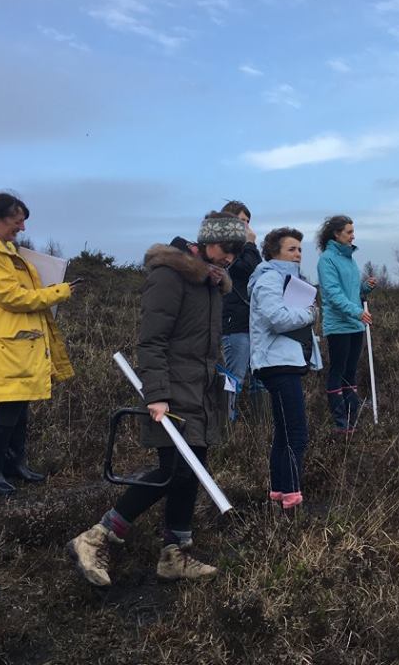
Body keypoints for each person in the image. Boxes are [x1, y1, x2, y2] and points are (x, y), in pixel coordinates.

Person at [68, 211, 245, 586]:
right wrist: (158, 395)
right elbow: (152, 340)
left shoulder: (211, 282)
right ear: (208, 242)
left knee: (191, 472)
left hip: (201, 391)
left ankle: (174, 555)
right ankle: (95, 537)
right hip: (173, 392)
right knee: (171, 472)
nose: (231, 257)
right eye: (228, 249)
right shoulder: (169, 276)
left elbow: (205, 343)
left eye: (236, 251)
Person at [0, 193, 79, 496]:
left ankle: (13, 464)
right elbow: (12, 297)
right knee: (11, 405)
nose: (23, 228)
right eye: (18, 221)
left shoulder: (6, 252)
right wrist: (58, 292)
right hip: (7, 343)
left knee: (20, 405)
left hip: (20, 342)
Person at [248, 227, 319, 510]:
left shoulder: (287, 279)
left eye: (300, 249)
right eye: (292, 249)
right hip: (276, 363)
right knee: (296, 434)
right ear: (274, 252)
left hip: (283, 362)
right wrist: (310, 313)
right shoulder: (269, 279)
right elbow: (277, 319)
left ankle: (280, 493)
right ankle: (292, 497)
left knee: (284, 432)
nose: (298, 254)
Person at [316, 215, 375, 434]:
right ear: (336, 234)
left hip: (355, 324)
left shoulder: (349, 258)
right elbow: (333, 294)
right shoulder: (327, 260)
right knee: (338, 371)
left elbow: (352, 291)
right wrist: (356, 312)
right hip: (339, 325)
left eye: (353, 231)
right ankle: (341, 424)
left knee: (351, 371)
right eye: (349, 232)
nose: (353, 235)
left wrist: (365, 288)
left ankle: (353, 418)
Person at [218, 200, 268, 423]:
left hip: (253, 324)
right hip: (235, 323)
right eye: (241, 221)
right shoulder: (223, 253)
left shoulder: (245, 251)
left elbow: (258, 272)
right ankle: (225, 430)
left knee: (260, 378)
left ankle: (262, 429)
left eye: (248, 221)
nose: (246, 226)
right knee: (235, 377)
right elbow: (249, 268)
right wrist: (250, 244)